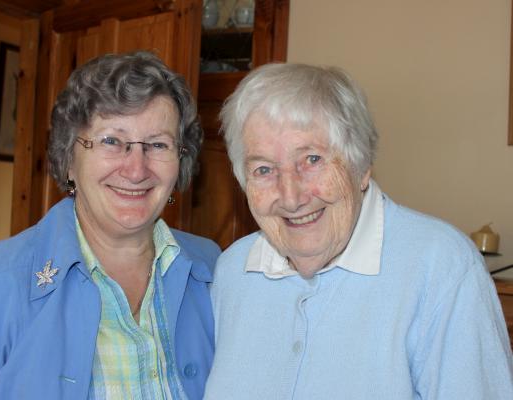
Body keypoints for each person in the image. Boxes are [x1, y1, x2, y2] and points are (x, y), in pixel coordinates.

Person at [204, 63, 513, 399]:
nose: (291, 197)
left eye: (312, 159)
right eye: (264, 169)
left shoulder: (441, 268)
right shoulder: (234, 272)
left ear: (362, 166)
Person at [0, 51, 220, 400]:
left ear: (180, 162)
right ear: (68, 160)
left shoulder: (213, 267)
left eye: (158, 144)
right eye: (111, 141)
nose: (137, 169)